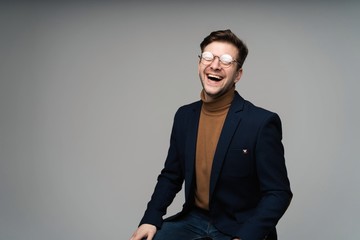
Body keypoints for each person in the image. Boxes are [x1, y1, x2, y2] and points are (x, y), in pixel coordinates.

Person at [130, 29, 292, 240]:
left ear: (238, 74)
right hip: (193, 220)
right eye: (208, 57)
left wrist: (246, 237)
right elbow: (171, 175)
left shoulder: (261, 123)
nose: (215, 65)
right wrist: (150, 219)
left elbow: (278, 193)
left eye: (226, 60)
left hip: (239, 227)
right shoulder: (184, 116)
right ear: (199, 65)